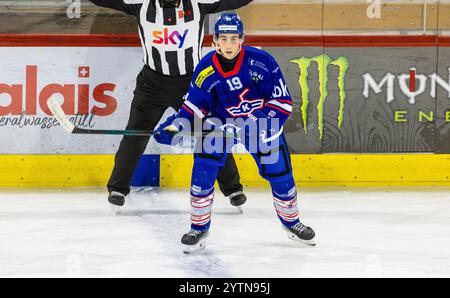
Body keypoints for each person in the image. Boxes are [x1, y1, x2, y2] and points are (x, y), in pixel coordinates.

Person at [153, 12, 316, 253]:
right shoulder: (206, 68)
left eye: (233, 38)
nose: (228, 44)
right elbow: (195, 105)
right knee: (203, 172)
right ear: (214, 41)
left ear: (242, 39)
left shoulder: (262, 62)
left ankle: (292, 223)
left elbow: (281, 101)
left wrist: (258, 121)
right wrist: (177, 124)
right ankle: (198, 228)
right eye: (223, 39)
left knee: (280, 174)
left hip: (261, 127)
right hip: (220, 126)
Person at [88, 0, 253, 209]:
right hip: (151, 84)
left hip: (191, 83)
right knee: (134, 135)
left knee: (211, 132)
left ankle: (232, 188)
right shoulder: (141, 3)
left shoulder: (198, 3)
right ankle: (118, 188)